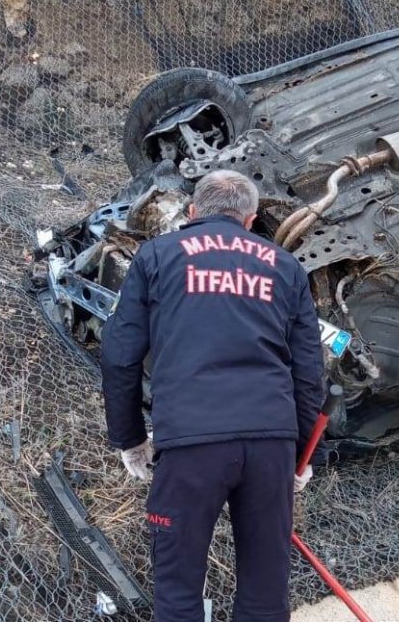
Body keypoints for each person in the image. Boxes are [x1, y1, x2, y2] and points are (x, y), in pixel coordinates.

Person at [101, 169, 326, 622]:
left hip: (190, 444)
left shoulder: (157, 255)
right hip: (269, 445)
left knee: (178, 590)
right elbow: (308, 373)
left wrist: (130, 438)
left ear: (192, 212)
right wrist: (301, 455)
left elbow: (120, 356)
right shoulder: (286, 267)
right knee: (265, 596)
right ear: (251, 219)